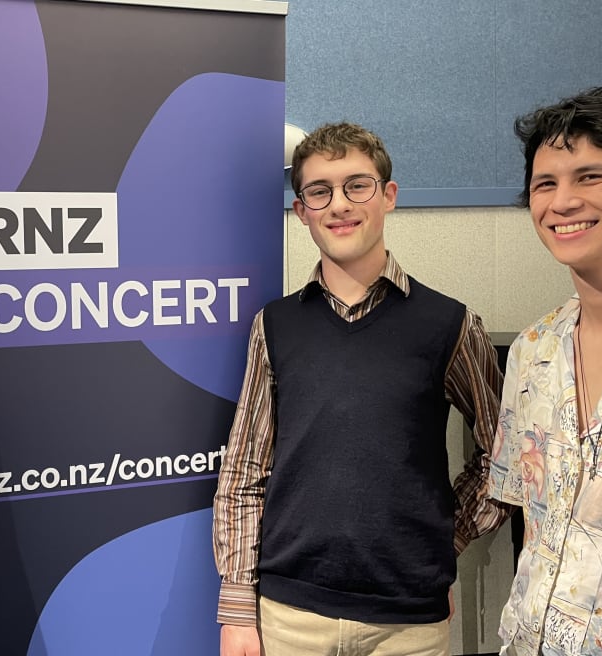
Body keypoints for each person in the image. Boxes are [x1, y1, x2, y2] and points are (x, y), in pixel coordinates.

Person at [213, 121, 510, 656]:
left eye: (357, 185)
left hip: (407, 624)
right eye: (319, 191)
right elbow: (244, 467)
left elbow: (506, 453)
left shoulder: (450, 324)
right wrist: (237, 607)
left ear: (388, 196)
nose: (339, 205)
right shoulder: (275, 326)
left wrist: (444, 541)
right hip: (289, 615)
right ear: (301, 210)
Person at [489, 87, 602, 654]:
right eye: (545, 184)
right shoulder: (532, 352)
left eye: (590, 177)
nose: (561, 201)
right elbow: (533, 522)